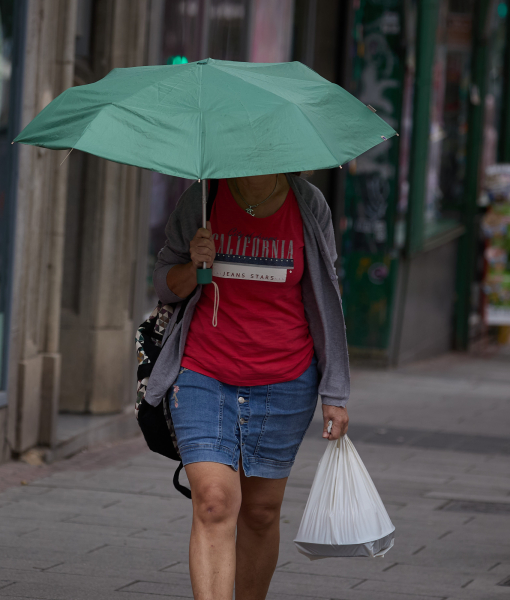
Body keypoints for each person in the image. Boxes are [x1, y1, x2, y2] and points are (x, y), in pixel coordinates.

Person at [151, 173, 350, 600]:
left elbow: (327, 296)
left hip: (286, 378)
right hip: (203, 371)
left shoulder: (308, 205)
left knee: (260, 513)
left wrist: (335, 392)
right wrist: (193, 265)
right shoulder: (203, 199)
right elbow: (164, 284)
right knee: (213, 502)